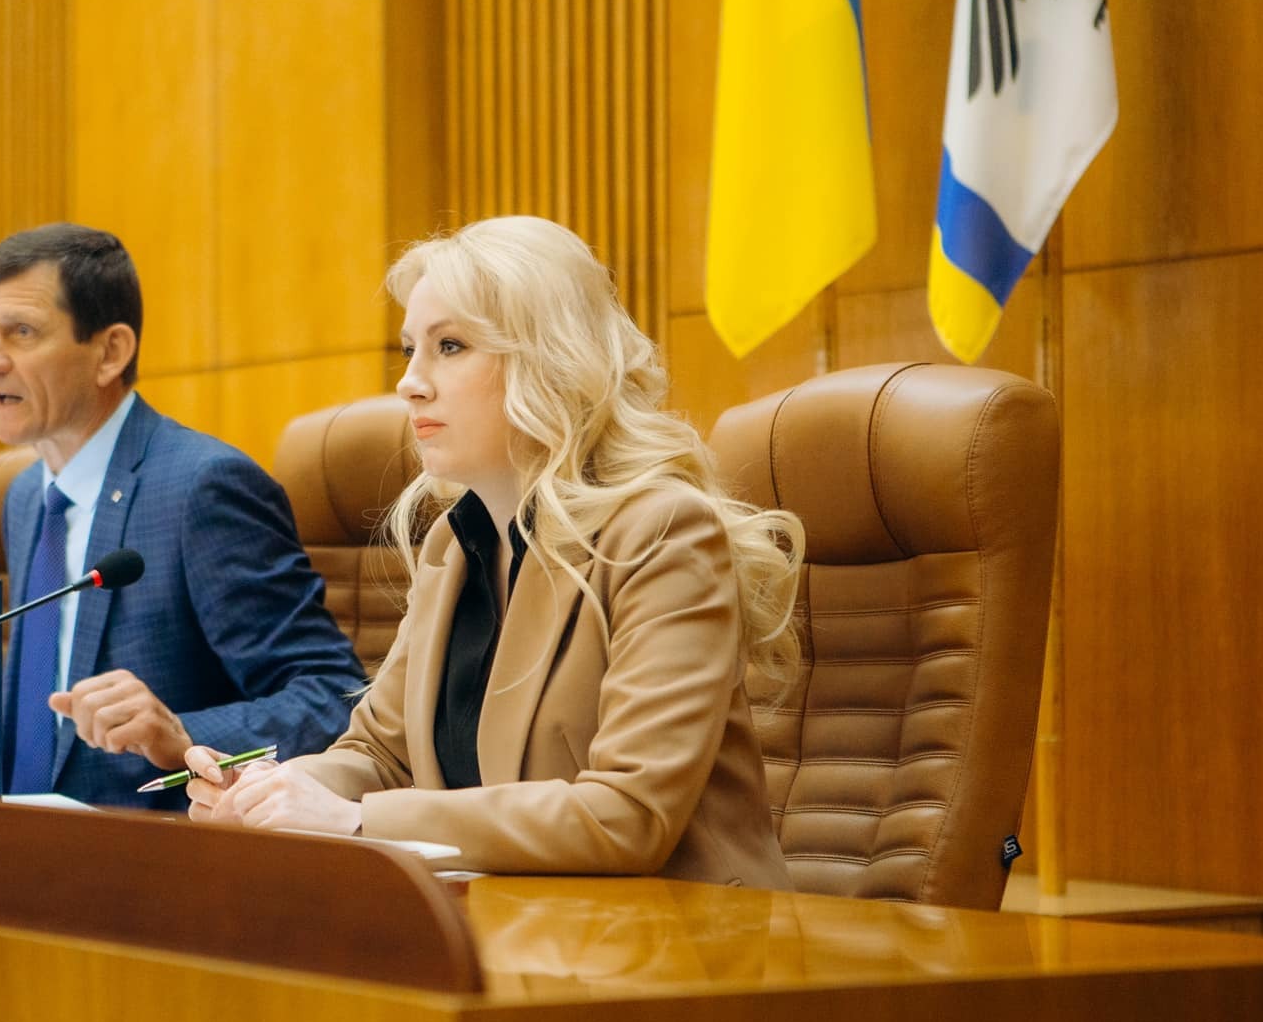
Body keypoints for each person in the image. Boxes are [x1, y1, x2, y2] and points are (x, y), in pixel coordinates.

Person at [186, 216, 803, 883]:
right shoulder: (454, 545)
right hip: (509, 921)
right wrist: (271, 791)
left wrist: (357, 821)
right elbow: (379, 755)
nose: (410, 382)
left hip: (677, 930)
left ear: (549, 358)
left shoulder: (662, 533)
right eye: (410, 350)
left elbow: (627, 815)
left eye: (449, 346)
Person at [0, 223, 365, 809]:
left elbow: (332, 699)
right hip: (17, 839)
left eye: (21, 332)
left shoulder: (201, 487)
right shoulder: (27, 496)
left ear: (110, 352)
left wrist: (181, 736)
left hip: (156, 843)